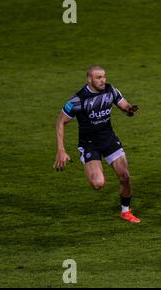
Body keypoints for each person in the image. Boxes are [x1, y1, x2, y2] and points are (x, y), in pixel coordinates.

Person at [54, 65, 141, 223]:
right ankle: (92, 166)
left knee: (125, 176)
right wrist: (61, 149)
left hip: (109, 139)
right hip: (89, 144)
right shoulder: (77, 100)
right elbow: (60, 122)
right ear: (89, 79)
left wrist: (130, 110)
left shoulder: (111, 90)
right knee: (98, 184)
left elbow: (125, 106)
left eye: (104, 77)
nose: (103, 80)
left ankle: (125, 211)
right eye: (99, 78)